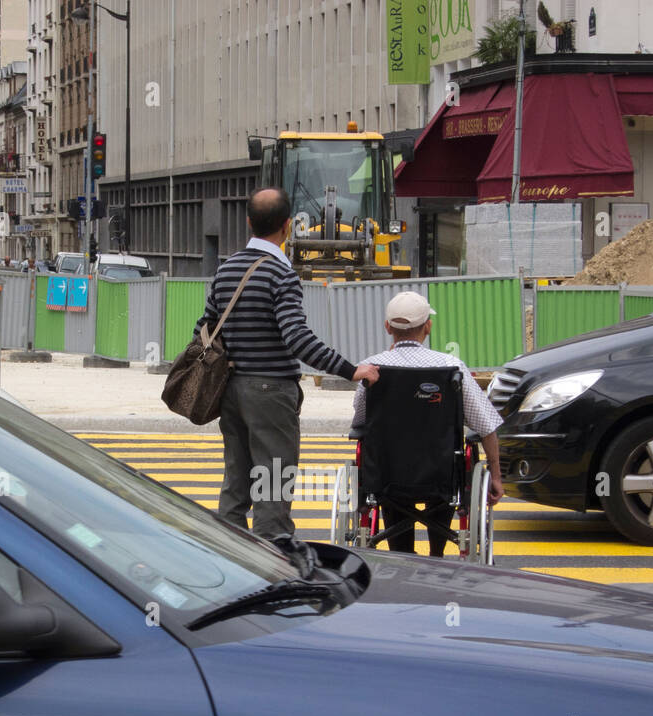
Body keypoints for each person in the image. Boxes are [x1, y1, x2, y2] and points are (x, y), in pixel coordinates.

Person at [194, 186, 379, 539]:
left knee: (236, 481)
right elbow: (297, 338)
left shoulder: (227, 270)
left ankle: (233, 556)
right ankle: (272, 563)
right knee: (273, 485)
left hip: (229, 390)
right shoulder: (281, 274)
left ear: (249, 222)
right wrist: (350, 370)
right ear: (288, 226)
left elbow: (204, 330)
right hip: (271, 393)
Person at [352, 291, 505, 557]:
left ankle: (402, 555)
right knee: (449, 463)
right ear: (428, 326)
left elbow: (360, 421)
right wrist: (497, 475)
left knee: (387, 469)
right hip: (440, 474)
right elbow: (487, 425)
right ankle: (437, 555)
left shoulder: (371, 368)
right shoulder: (450, 367)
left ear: (388, 327)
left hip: (389, 474)